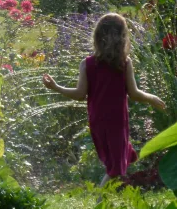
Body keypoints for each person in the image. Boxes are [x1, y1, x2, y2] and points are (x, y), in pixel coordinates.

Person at [42, 13, 166, 186]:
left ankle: (113, 202)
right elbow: (135, 93)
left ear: (98, 37)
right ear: (122, 38)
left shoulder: (88, 64)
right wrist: (152, 98)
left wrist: (56, 87)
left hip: (98, 121)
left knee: (120, 160)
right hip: (116, 122)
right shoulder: (124, 63)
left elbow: (79, 94)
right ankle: (100, 204)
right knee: (115, 170)